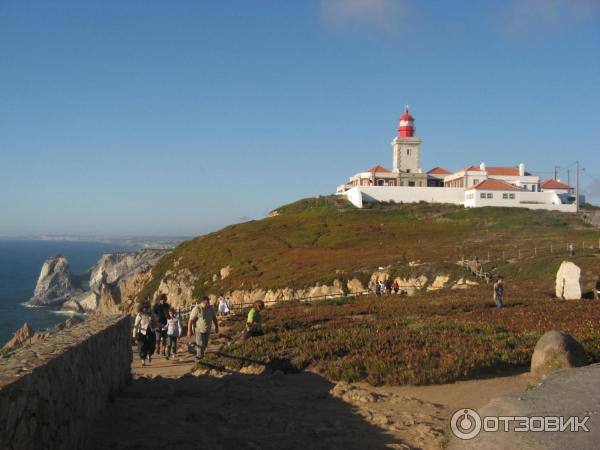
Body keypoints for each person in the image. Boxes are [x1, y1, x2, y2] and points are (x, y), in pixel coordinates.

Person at [133, 301, 156, 366]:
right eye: (144, 308)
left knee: (151, 345)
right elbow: (136, 325)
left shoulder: (151, 314)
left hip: (150, 332)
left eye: (146, 307)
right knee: (142, 347)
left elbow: (155, 322)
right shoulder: (139, 315)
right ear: (141, 308)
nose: (145, 309)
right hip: (142, 333)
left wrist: (152, 319)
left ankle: (149, 355)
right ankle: (143, 361)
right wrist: (134, 336)